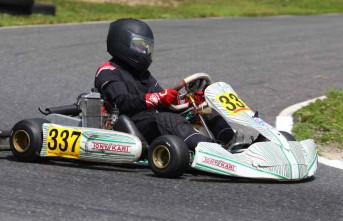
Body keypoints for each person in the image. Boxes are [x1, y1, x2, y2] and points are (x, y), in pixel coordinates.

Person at [94, 18, 238, 151]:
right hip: (129, 123)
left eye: (147, 47)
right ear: (122, 42)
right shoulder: (108, 71)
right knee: (168, 119)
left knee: (204, 110)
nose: (145, 51)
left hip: (151, 120)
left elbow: (165, 103)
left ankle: (233, 143)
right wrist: (157, 98)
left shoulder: (142, 73)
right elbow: (122, 102)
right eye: (140, 46)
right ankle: (212, 151)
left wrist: (188, 101)